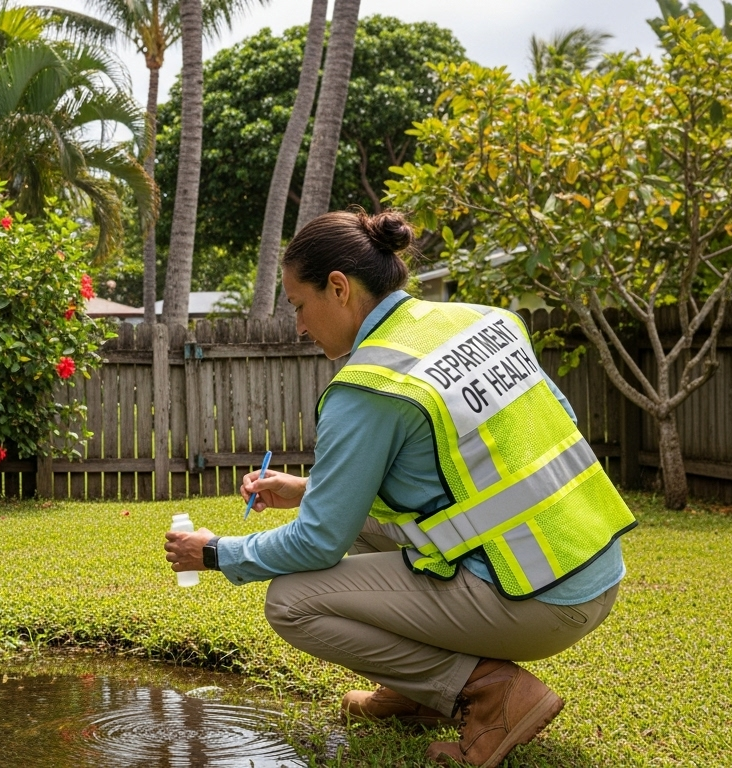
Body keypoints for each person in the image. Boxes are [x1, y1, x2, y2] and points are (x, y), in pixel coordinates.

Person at [163, 210, 635, 768]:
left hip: (539, 601)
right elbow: (488, 462)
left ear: (338, 287)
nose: (299, 326)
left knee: (292, 602)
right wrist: (309, 488)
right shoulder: (484, 321)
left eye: (298, 304)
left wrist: (216, 553)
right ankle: (417, 694)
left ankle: (487, 694)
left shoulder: (368, 386)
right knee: (357, 529)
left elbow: (317, 544)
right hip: (591, 569)